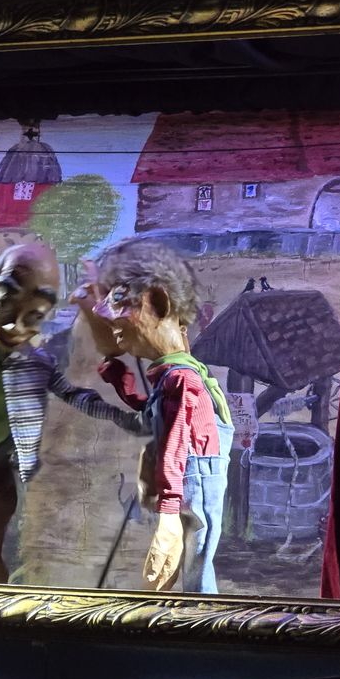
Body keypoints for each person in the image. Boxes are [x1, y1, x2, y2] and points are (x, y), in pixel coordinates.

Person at [0, 242, 143, 583]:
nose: (18, 323)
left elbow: (73, 394)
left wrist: (122, 416)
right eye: (8, 300)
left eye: (34, 314)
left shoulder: (37, 362)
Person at [73, 238, 233, 594]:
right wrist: (119, 379)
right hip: (181, 480)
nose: (108, 316)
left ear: (158, 303)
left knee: (196, 561)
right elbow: (153, 411)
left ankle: (202, 614)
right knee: (175, 562)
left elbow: (177, 443)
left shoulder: (184, 379)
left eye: (119, 300)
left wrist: (170, 510)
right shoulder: (172, 377)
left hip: (195, 480)